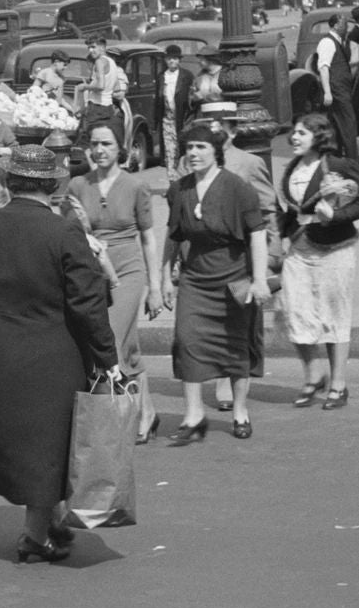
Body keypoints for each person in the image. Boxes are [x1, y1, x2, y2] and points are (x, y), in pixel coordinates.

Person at [0, 144, 118, 563]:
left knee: (31, 449)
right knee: (50, 448)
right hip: (52, 359)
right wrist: (107, 359)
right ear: (53, 185)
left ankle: (44, 526)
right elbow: (88, 304)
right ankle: (34, 534)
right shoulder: (62, 232)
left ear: (8, 182)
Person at [161, 124, 270, 443]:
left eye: (201, 147)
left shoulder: (238, 188)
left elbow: (257, 233)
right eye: (189, 147)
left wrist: (260, 279)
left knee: (234, 345)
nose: (193, 153)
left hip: (233, 275)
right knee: (186, 340)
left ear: (215, 152)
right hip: (195, 277)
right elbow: (173, 235)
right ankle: (194, 416)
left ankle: (239, 411)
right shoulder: (179, 189)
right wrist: (164, 277)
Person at [68, 124, 162, 442]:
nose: (99, 150)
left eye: (106, 144)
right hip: (94, 270)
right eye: (94, 144)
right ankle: (146, 412)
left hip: (129, 270)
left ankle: (120, 413)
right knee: (128, 344)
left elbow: (148, 238)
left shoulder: (136, 186)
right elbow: (72, 232)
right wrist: (83, 230)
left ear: (119, 147)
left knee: (109, 333)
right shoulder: (78, 185)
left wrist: (156, 286)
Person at [278, 112, 359, 412]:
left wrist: (336, 215)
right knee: (292, 309)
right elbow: (290, 210)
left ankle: (338, 384)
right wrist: (283, 234)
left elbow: (355, 200)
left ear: (319, 136)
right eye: (295, 132)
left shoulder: (336, 165)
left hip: (335, 248)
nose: (294, 137)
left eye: (302, 133)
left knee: (334, 315)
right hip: (300, 247)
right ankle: (314, 373)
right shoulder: (292, 168)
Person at [311, 11, 357, 160]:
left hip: (341, 88)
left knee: (336, 125)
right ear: (336, 25)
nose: (347, 28)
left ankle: (335, 158)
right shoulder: (327, 42)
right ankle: (352, 161)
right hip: (337, 89)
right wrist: (328, 92)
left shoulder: (338, 41)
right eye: (344, 24)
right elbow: (324, 67)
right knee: (348, 123)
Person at [155, 44, 195, 179]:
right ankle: (173, 181)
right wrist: (156, 122)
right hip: (167, 120)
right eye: (169, 59)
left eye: (175, 58)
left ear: (179, 60)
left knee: (183, 150)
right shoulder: (161, 77)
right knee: (169, 151)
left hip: (182, 120)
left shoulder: (187, 76)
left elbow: (191, 98)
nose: (172, 61)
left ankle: (186, 179)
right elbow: (158, 101)